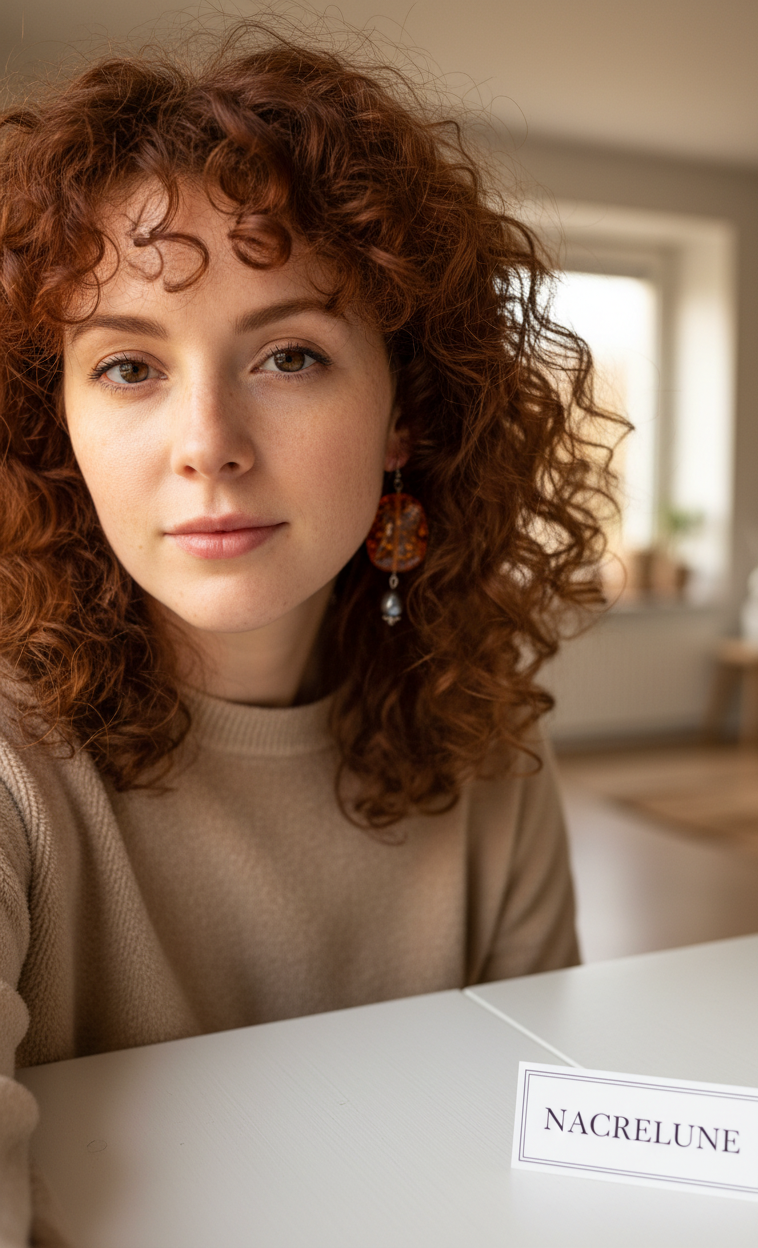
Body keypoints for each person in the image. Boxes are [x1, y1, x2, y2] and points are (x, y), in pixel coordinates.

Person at [0, 20, 617, 1246]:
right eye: (129, 368)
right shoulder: (13, 773)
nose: (207, 442)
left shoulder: (486, 743)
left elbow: (550, 1150)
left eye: (288, 354)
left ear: (403, 415)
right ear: (54, 423)